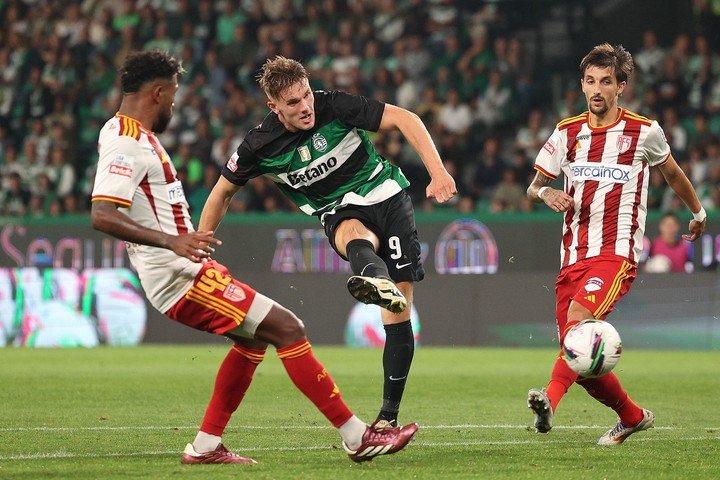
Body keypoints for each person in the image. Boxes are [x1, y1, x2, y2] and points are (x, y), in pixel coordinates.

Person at [90, 50, 418, 465]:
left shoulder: (127, 134)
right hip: (176, 275)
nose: (175, 102)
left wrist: (189, 243)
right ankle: (357, 436)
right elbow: (102, 214)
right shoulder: (127, 143)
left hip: (185, 267)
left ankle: (206, 446)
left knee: (253, 341)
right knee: (287, 328)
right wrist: (175, 243)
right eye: (172, 94)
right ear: (157, 92)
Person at [200, 56, 457, 429]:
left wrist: (438, 172)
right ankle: (375, 277)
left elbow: (406, 118)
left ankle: (388, 416)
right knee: (351, 230)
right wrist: (201, 243)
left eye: (306, 95)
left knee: (398, 310)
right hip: (338, 209)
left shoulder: (334, 104)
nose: (305, 107)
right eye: (293, 103)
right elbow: (222, 192)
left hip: (386, 194)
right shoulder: (260, 144)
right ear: (273, 107)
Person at [525, 43, 706, 446]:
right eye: (590, 81)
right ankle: (633, 416)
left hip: (616, 253)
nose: (596, 89)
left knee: (577, 326)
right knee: (579, 358)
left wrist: (697, 212)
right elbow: (534, 185)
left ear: (621, 86)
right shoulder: (566, 131)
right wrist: (545, 195)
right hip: (572, 257)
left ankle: (548, 401)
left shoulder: (645, 131)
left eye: (606, 82)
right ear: (582, 84)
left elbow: (673, 175)